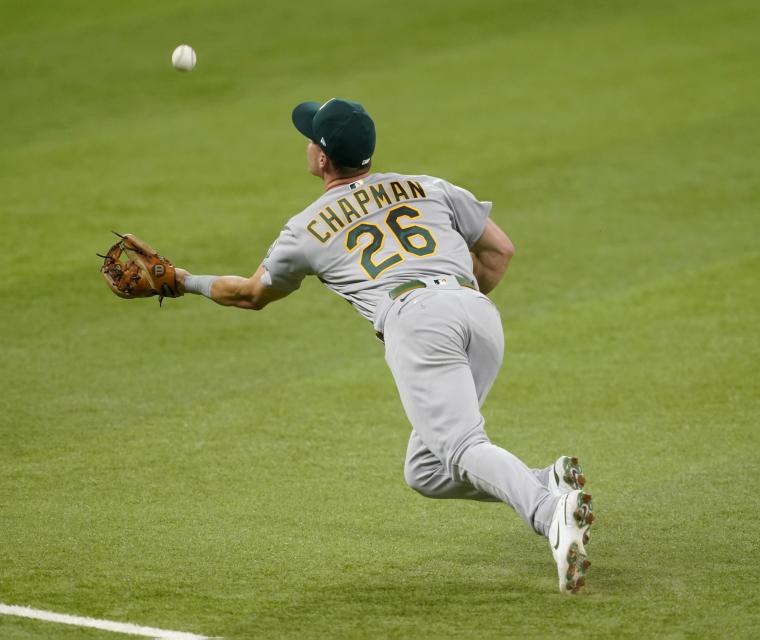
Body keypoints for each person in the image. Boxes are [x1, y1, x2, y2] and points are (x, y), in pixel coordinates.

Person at [174, 98, 595, 593]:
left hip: (416, 320)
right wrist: (456, 306)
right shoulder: (428, 186)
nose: (307, 144)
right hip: (477, 312)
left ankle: (550, 516)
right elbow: (500, 252)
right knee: (426, 470)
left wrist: (180, 281)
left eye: (311, 138)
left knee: (461, 447)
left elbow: (249, 294)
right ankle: (549, 482)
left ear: (323, 159)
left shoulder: (307, 227)